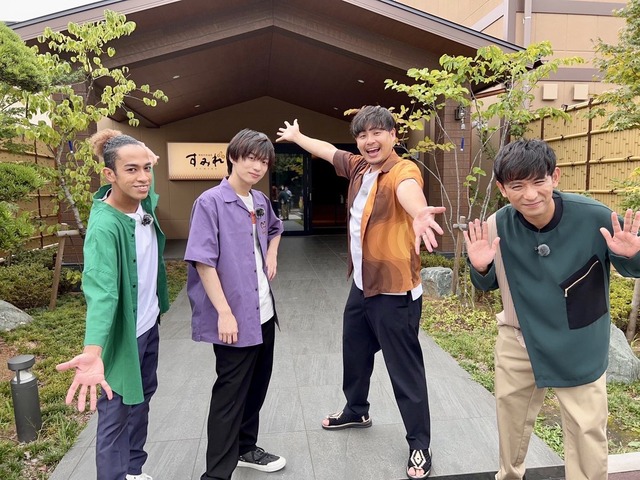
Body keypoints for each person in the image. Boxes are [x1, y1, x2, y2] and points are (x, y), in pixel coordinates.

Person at [277, 106, 446, 479]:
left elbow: (409, 191)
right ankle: (357, 410)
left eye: (377, 133)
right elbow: (327, 151)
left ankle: (420, 444)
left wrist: (420, 213)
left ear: (393, 135)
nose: (369, 141)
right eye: (362, 135)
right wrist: (298, 137)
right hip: (362, 285)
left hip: (394, 290)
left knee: (404, 370)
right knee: (354, 352)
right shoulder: (358, 167)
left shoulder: (402, 170)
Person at [463, 139, 640, 480]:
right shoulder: (497, 224)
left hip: (579, 342)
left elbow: (631, 266)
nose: (530, 195)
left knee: (587, 431)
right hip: (518, 340)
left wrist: (632, 255)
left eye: (538, 181)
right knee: (510, 423)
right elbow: (486, 283)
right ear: (502, 188)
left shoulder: (594, 216)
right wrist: (481, 267)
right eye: (517, 185)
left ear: (554, 177)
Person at [56, 129, 169, 480]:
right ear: (109, 175)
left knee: (142, 398)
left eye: (146, 168)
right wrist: (94, 352)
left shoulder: (141, 200)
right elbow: (101, 291)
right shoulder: (105, 227)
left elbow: (147, 166)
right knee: (116, 414)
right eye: (131, 170)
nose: (143, 177)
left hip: (147, 325)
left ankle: (133, 470)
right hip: (123, 336)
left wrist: (131, 147)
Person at [184, 129, 285, 480]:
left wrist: (271, 253)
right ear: (233, 157)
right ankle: (216, 473)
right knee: (229, 395)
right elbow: (203, 261)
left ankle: (246, 447)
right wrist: (225, 313)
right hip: (235, 317)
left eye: (264, 161)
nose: (257, 166)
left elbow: (276, 228)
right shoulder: (210, 202)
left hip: (263, 313)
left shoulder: (260, 200)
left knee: (257, 386)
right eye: (251, 158)